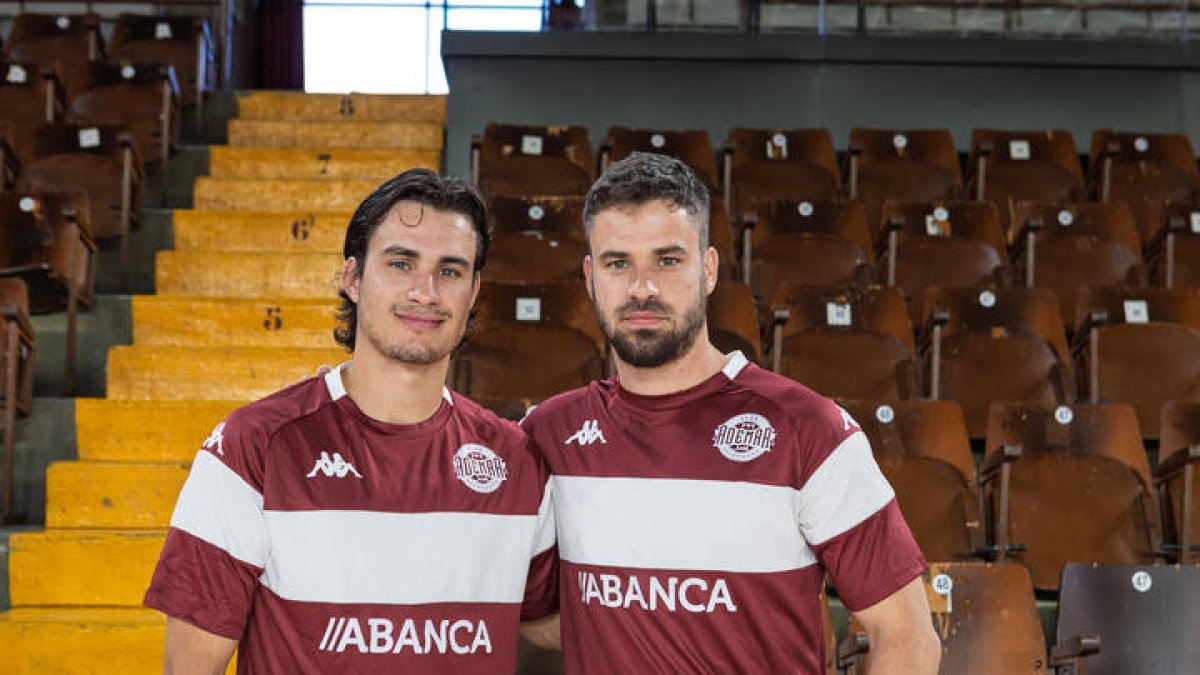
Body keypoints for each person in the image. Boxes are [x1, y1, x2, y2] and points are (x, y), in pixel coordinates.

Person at [520, 152, 941, 674]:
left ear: (709, 269)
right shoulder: (549, 435)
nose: (642, 288)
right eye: (618, 262)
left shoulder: (809, 428)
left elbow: (906, 636)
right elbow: (537, 620)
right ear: (590, 276)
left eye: (668, 260)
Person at [143, 169, 558, 674]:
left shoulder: (513, 459)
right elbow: (190, 666)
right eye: (401, 263)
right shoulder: (253, 446)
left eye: (449, 271)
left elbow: (550, 621)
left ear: (473, 293)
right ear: (353, 278)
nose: (425, 291)